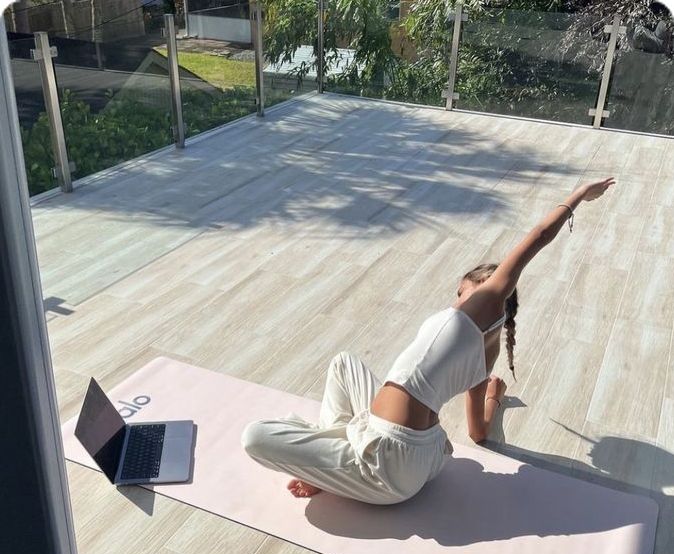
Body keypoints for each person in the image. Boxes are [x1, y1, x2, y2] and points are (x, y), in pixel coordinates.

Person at [241, 177, 616, 504]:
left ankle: (327, 468)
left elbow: (537, 238)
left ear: (488, 290)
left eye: (461, 291)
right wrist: (492, 398)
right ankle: (326, 466)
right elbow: (477, 433)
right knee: (343, 364)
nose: (455, 300)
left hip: (387, 466)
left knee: (254, 437)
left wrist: (581, 193)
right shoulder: (487, 354)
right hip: (422, 455)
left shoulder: (484, 305)